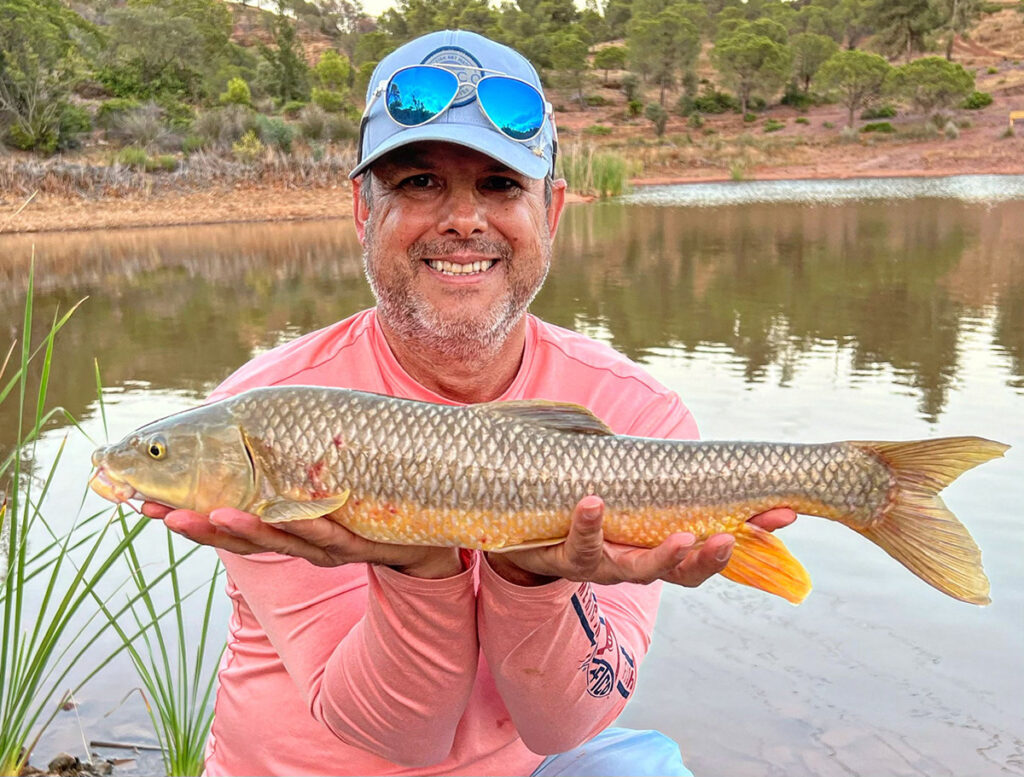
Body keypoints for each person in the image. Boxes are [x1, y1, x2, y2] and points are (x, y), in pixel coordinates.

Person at [143, 30, 795, 777]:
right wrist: (420, 569)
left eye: (499, 185)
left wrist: (532, 577)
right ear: (363, 210)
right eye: (419, 182)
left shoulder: (634, 410)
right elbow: (400, 739)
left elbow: (563, 724)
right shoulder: (267, 418)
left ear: (551, 212)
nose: (462, 219)